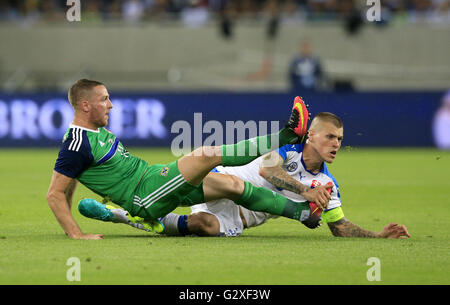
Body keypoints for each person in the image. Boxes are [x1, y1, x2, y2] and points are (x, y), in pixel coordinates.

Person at [46, 78, 317, 239]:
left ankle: (303, 213)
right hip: (145, 194)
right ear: (84, 105)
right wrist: (75, 233)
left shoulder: (95, 133)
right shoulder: (76, 143)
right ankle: (288, 135)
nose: (111, 104)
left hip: (152, 178)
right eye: (104, 99)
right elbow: (55, 193)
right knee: (206, 155)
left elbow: (70, 183)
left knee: (231, 184)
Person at [80, 112, 410, 239]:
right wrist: (302, 193)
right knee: (227, 181)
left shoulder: (327, 185)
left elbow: (338, 226)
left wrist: (376, 237)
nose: (336, 144)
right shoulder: (287, 154)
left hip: (240, 215)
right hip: (223, 180)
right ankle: (134, 208)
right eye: (330, 137)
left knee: (204, 226)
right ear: (310, 136)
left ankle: (121, 216)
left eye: (340, 139)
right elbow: (269, 169)